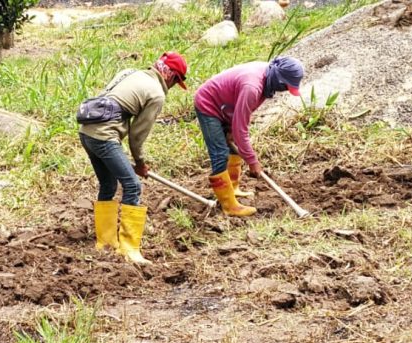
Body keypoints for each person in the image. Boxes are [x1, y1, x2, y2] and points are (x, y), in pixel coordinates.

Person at [79, 51, 188, 264]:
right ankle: (129, 249)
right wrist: (140, 163)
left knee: (108, 185)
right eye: (176, 82)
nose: (174, 86)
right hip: (104, 136)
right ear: (172, 76)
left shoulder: (130, 72)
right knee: (133, 186)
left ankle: (106, 243)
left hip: (86, 132)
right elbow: (137, 136)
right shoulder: (156, 94)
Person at [194, 56, 304, 217]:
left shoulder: (267, 78)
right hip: (208, 104)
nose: (285, 90)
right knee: (220, 154)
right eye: (286, 86)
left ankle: (233, 188)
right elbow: (241, 130)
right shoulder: (252, 87)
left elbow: (241, 117)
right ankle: (229, 206)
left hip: (226, 104)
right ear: (279, 79)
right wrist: (253, 162)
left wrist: (231, 129)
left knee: (235, 147)